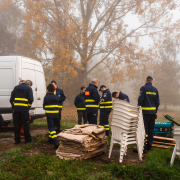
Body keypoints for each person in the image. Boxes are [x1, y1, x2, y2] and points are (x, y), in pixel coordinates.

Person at [138, 76, 160, 153]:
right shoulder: (155, 90)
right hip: (153, 114)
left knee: (143, 130)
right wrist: (155, 112)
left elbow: (140, 100)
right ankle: (149, 147)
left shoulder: (143, 88)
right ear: (152, 81)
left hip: (145, 113)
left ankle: (143, 148)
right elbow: (157, 103)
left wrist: (139, 110)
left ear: (145, 81)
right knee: (151, 130)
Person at [10, 80, 33, 144]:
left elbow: (11, 98)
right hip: (24, 110)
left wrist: (14, 106)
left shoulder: (16, 87)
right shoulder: (28, 88)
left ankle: (17, 140)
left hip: (16, 110)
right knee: (25, 124)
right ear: (28, 84)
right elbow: (31, 99)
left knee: (16, 125)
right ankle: (27, 140)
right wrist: (28, 106)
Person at [43, 84, 59, 148]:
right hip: (56, 114)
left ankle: (56, 142)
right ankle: (50, 139)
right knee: (53, 126)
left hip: (50, 115)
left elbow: (44, 106)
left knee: (51, 128)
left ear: (48, 89)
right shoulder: (56, 97)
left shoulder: (46, 97)